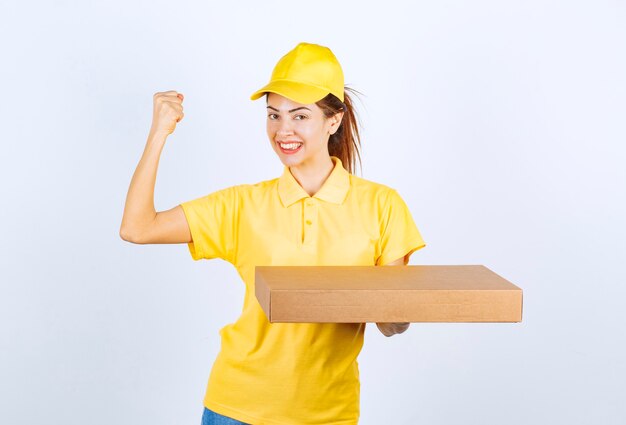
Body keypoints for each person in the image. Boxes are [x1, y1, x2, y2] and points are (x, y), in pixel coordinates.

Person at [120, 42, 426, 425]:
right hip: (237, 409)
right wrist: (159, 132)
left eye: (300, 116)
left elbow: (392, 325)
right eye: (273, 115)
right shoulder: (242, 206)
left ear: (334, 120)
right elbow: (137, 228)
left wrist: (397, 310)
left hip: (329, 415)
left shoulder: (382, 206)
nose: (284, 131)